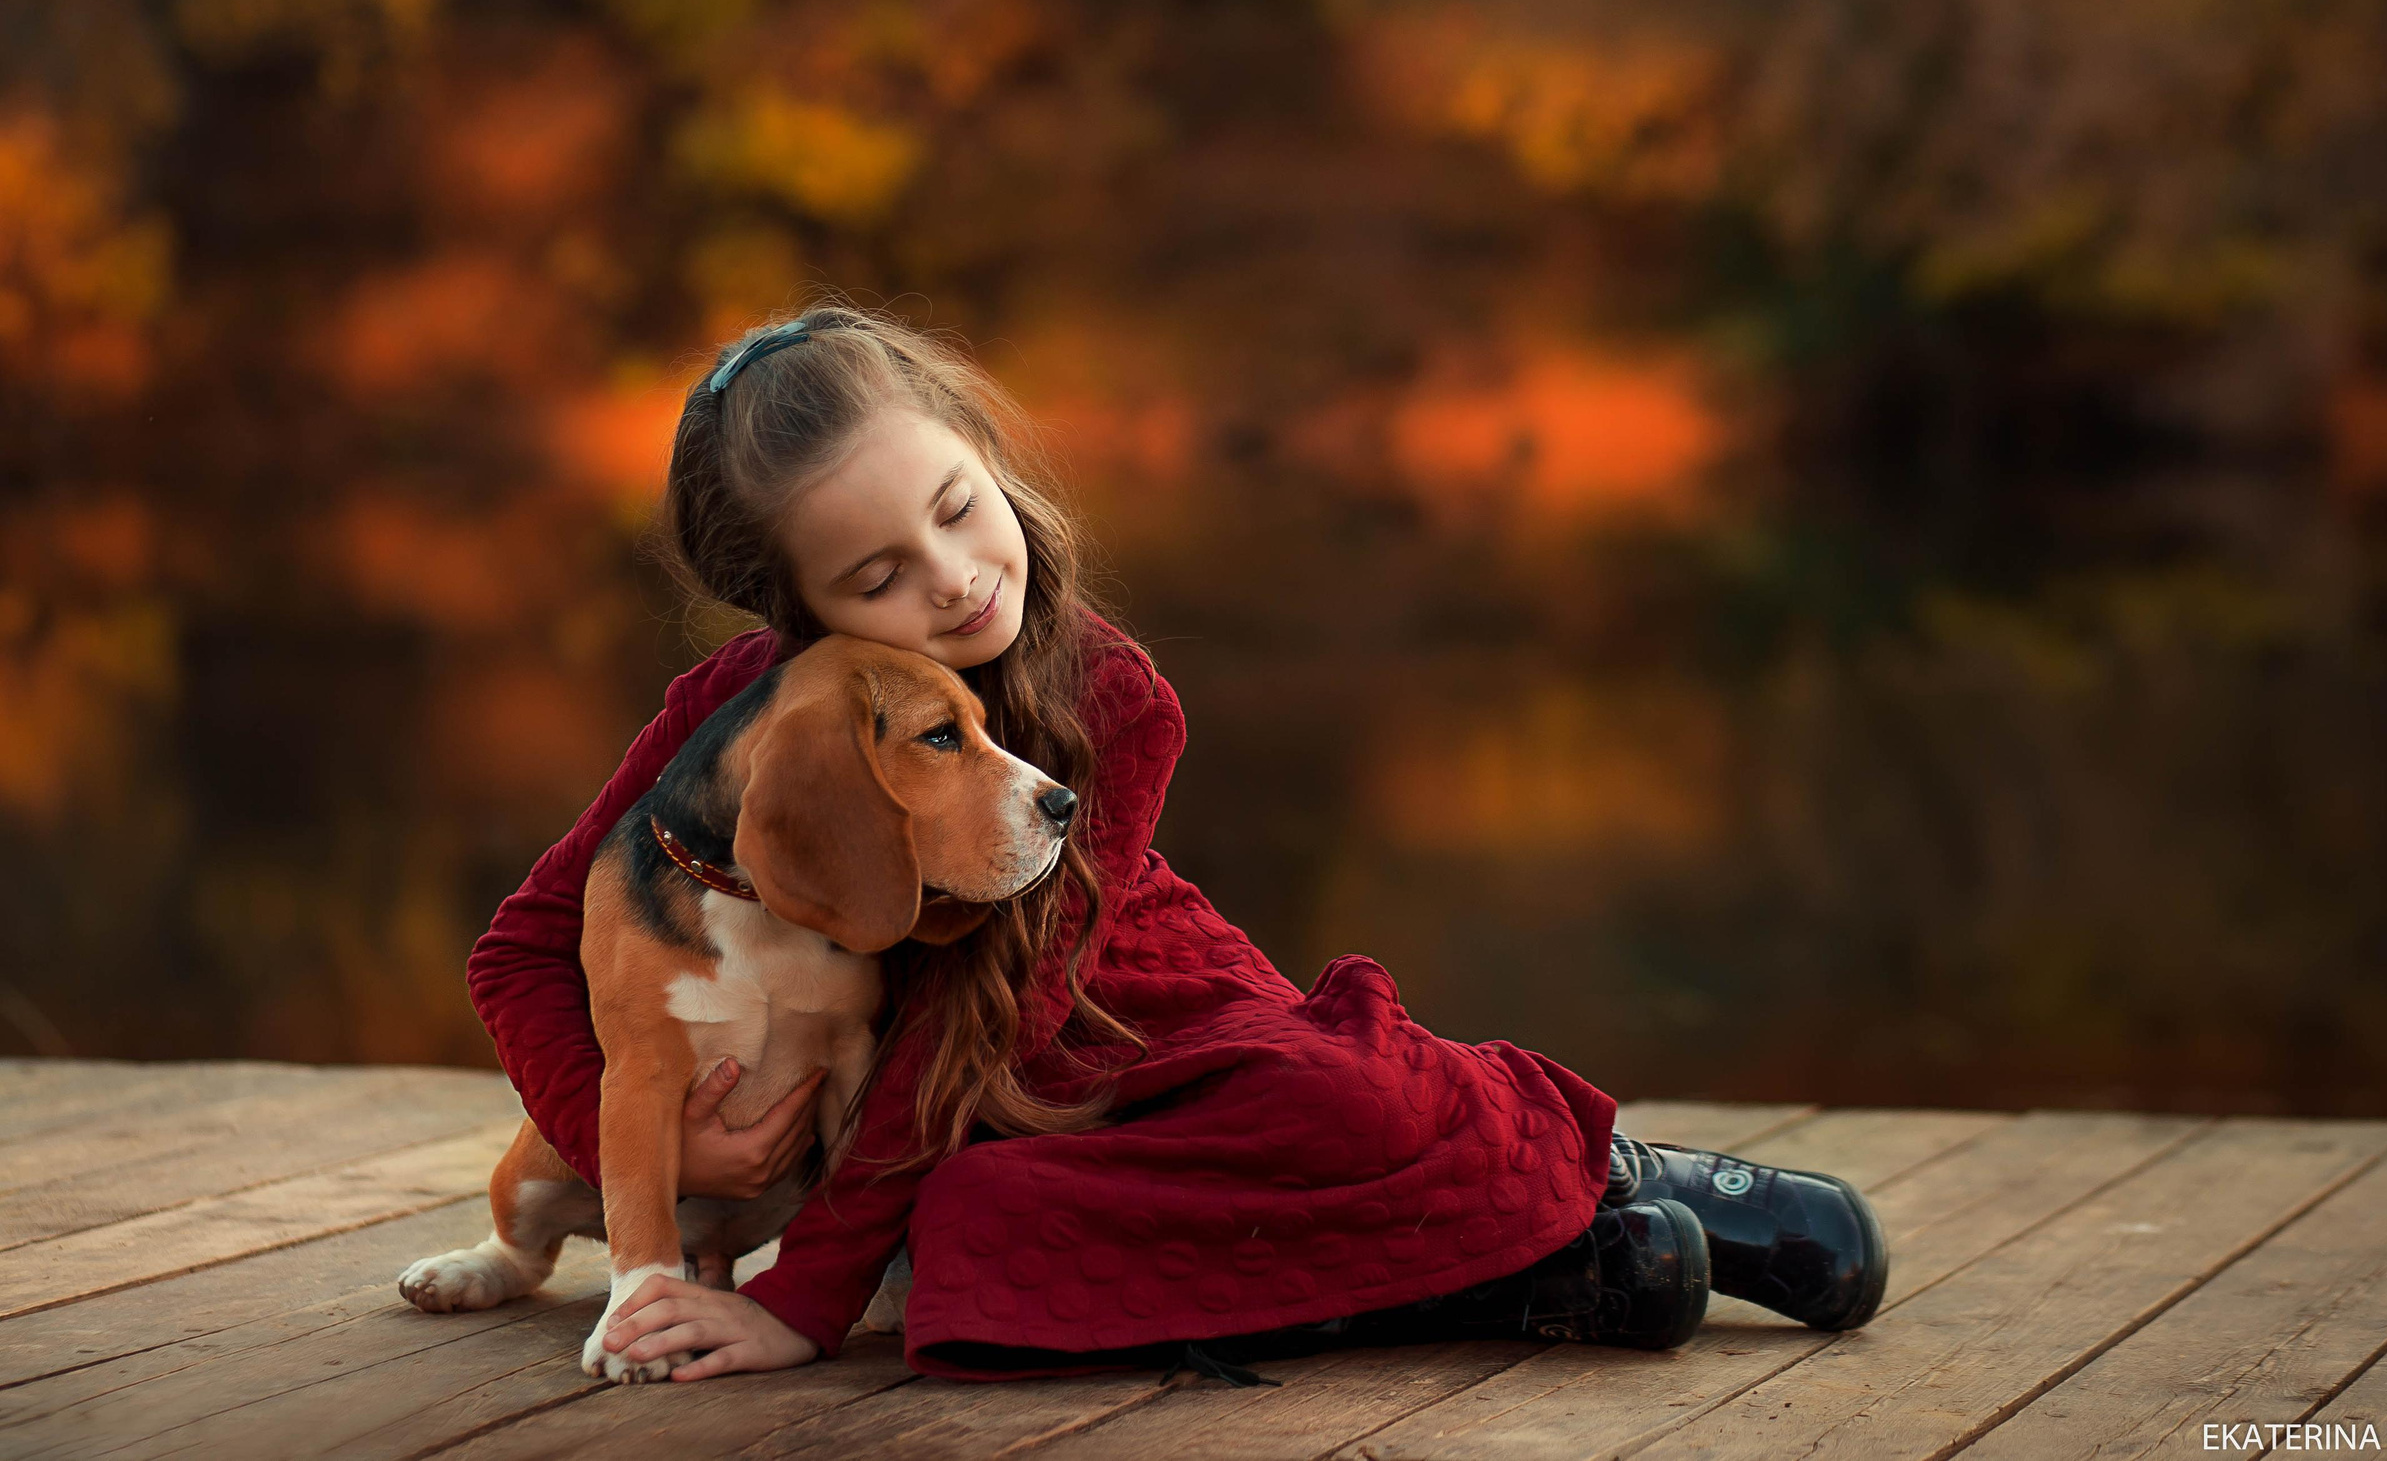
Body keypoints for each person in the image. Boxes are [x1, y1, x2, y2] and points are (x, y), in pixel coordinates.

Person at [467, 307, 1888, 1383]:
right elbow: (526, 951)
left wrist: (793, 1303)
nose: (955, 578)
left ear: (984, 452)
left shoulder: (1113, 697)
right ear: (797, 613)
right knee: (969, 1232)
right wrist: (646, 1137)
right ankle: (1525, 1279)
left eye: (957, 509)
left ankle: (1612, 1175)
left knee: (1342, 1104)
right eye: (876, 579)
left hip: (1134, 1030)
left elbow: (992, 1004)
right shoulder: (735, 722)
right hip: (963, 1123)